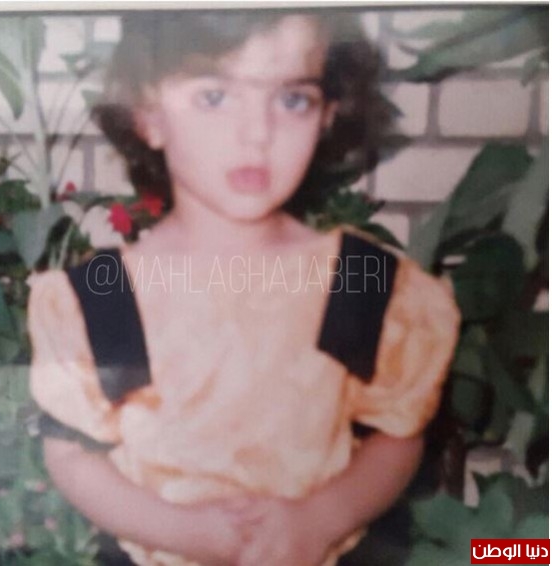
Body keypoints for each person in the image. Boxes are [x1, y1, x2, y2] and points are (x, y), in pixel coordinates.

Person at [27, 8, 460, 566]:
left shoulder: (359, 279)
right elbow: (71, 455)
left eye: (292, 100)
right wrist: (183, 531)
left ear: (328, 114)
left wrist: (320, 519)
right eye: (214, 97)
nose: (257, 134)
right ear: (148, 113)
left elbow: (397, 435)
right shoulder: (104, 294)